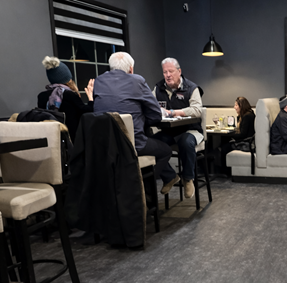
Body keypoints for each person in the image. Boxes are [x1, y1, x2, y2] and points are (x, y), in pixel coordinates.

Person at [92, 52, 175, 189]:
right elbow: (156, 114)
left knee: (148, 135)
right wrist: (142, 120)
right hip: (132, 144)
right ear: (131, 68)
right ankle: (142, 189)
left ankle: (164, 179)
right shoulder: (137, 80)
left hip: (105, 145)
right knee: (166, 150)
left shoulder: (99, 81)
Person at [152, 57, 204, 199]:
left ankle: (188, 178)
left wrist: (174, 112)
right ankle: (170, 176)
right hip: (169, 132)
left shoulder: (191, 88)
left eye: (171, 71)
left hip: (191, 130)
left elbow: (197, 110)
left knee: (186, 142)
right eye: (165, 72)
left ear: (179, 71)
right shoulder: (158, 88)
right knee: (149, 144)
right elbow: (150, 105)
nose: (168, 75)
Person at [38, 56, 94, 141]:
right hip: (72, 140)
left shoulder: (42, 96)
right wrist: (90, 97)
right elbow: (87, 114)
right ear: (68, 77)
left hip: (52, 139)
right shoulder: (70, 95)